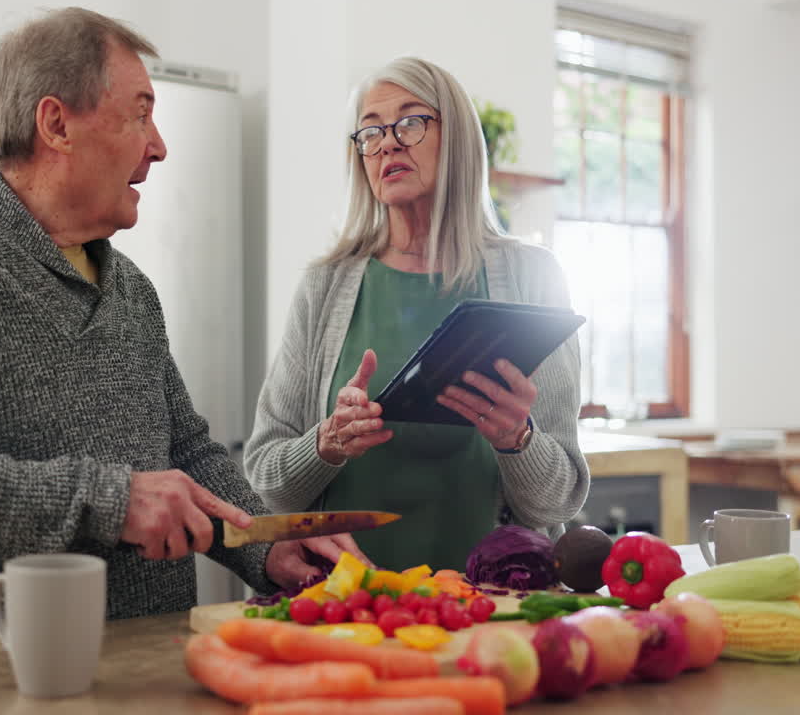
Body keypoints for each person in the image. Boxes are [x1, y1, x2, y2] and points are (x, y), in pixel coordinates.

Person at [0, 7, 366, 645]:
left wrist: (266, 546)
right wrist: (109, 501)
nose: (159, 145)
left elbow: (184, 452)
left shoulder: (132, 288)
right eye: (141, 112)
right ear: (56, 124)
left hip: (153, 660)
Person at [245, 56, 589, 573]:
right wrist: (326, 443)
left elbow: (557, 503)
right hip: (346, 603)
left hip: (494, 606)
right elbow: (268, 484)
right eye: (370, 132)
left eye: (410, 122)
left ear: (458, 140)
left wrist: (516, 439)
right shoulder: (326, 286)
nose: (387, 143)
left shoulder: (532, 278)